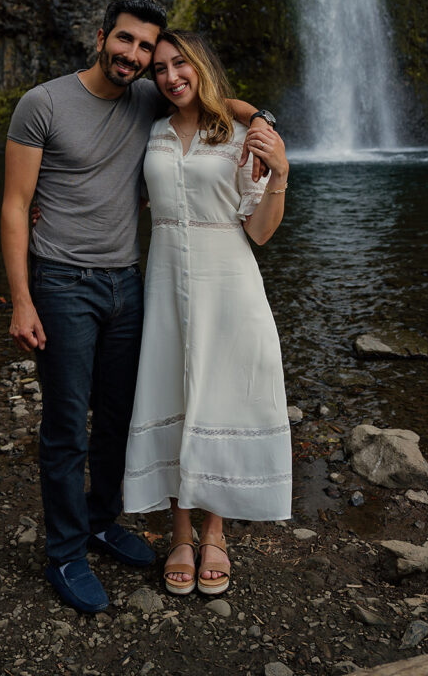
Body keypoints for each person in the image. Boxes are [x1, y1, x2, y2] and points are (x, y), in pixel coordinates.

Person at [0, 0, 273, 613]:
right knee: (67, 426)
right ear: (102, 37)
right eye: (125, 41)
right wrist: (21, 298)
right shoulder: (42, 103)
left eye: (146, 49)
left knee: (120, 417)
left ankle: (100, 522)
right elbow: (15, 205)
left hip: (127, 283)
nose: (135, 56)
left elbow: (214, 100)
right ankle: (66, 552)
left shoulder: (151, 96)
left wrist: (266, 120)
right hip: (63, 282)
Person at [123, 30, 292, 597]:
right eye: (162, 68)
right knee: (171, 393)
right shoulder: (150, 127)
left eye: (182, 65)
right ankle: (178, 533)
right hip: (167, 279)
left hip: (230, 281)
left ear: (201, 66)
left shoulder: (241, 135)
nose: (172, 76)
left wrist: (281, 176)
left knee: (221, 397)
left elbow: (261, 232)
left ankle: (214, 533)